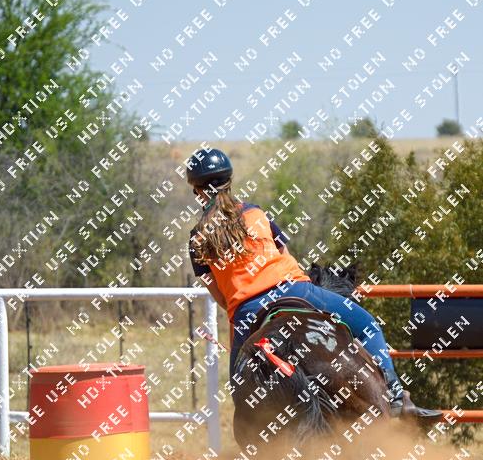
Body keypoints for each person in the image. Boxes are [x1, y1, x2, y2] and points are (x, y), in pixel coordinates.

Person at [186, 147, 443, 421]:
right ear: (229, 181)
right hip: (295, 289)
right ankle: (397, 398)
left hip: (248, 311)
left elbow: (221, 297)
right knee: (368, 326)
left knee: (241, 389)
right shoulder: (256, 214)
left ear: (197, 192)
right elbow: (285, 255)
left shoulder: (197, 239)